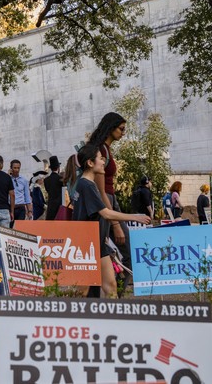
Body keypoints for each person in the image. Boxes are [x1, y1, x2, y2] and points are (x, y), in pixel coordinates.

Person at [73, 144, 151, 297]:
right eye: (100, 159)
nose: (104, 162)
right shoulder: (86, 185)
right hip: (86, 246)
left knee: (111, 286)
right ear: (90, 163)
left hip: (98, 243)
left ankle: (112, 320)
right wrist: (135, 217)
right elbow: (106, 214)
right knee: (82, 291)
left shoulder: (87, 184)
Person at [86, 112, 128, 246]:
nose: (123, 133)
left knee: (122, 245)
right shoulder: (101, 151)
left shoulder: (105, 149)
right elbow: (101, 190)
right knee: (106, 247)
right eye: (121, 129)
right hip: (104, 202)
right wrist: (115, 225)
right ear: (111, 128)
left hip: (110, 200)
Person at [9, 159, 32, 225]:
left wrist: (29, 211)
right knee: (10, 229)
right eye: (15, 168)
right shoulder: (8, 180)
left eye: (18, 168)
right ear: (11, 168)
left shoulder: (24, 180)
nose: (16, 170)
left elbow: (27, 197)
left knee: (19, 229)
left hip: (21, 208)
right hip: (10, 208)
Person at [44, 156, 63, 220]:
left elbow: (47, 190)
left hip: (51, 206)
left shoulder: (46, 180)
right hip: (60, 207)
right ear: (58, 167)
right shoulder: (61, 179)